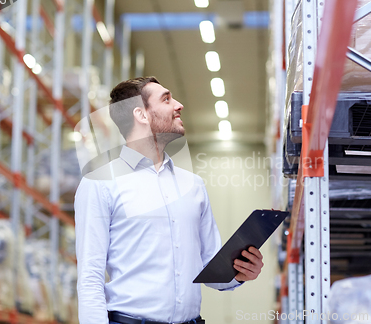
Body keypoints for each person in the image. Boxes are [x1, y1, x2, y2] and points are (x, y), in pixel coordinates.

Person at [74, 77, 264, 324]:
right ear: (141, 114)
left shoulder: (193, 186)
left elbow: (212, 269)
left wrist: (239, 272)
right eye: (167, 99)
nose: (179, 105)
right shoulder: (99, 184)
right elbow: (90, 277)